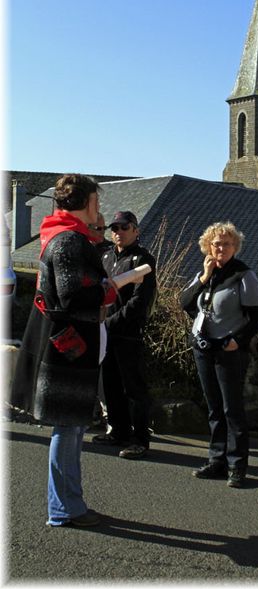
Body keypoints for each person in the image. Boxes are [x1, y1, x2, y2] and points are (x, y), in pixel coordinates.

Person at [10, 174, 116, 528]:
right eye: (96, 202)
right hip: (70, 351)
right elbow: (72, 293)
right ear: (87, 202)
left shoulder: (63, 234)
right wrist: (110, 285)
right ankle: (63, 508)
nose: (99, 209)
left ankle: (71, 504)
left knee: (70, 430)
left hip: (65, 346)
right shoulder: (69, 240)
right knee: (67, 430)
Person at [180, 221, 258, 488]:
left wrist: (237, 341)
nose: (221, 248)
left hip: (229, 351)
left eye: (226, 244)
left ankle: (237, 466)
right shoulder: (205, 272)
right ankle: (217, 460)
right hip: (204, 348)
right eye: (216, 244)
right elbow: (184, 303)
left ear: (235, 247)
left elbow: (257, 317)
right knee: (214, 408)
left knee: (232, 410)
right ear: (208, 246)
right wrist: (204, 278)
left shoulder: (244, 275)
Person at [92, 210, 156, 459]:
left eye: (124, 227)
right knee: (110, 386)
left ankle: (140, 439)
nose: (118, 232)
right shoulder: (106, 256)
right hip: (106, 332)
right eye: (114, 228)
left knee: (135, 388)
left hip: (128, 334)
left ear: (136, 230)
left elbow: (140, 302)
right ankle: (118, 431)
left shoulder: (143, 259)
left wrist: (109, 323)